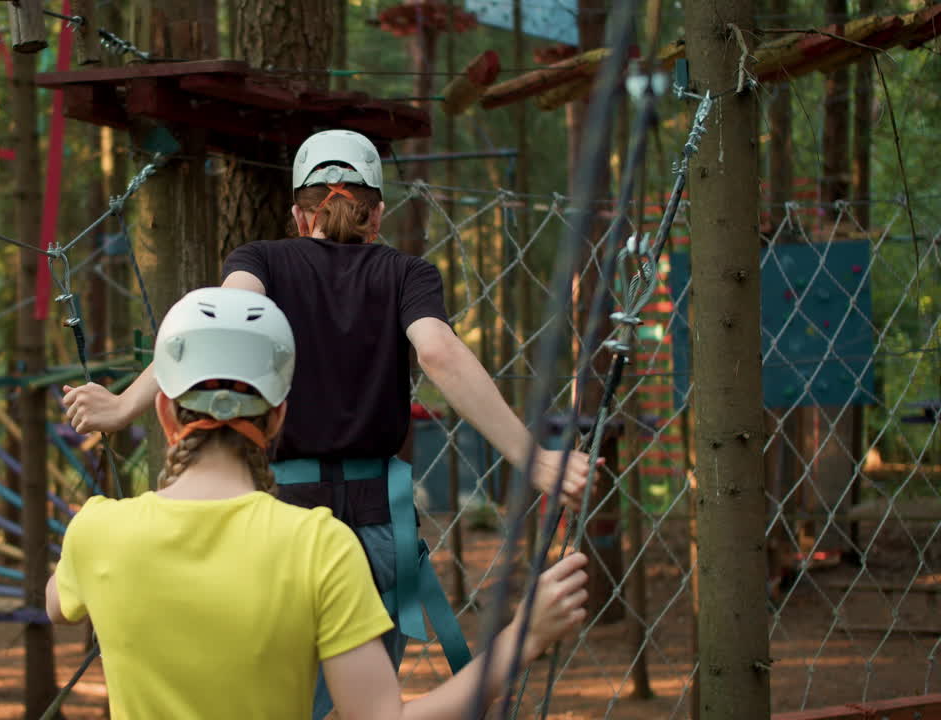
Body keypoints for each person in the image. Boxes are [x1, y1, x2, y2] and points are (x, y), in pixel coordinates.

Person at [62, 129, 597, 718]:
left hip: (286, 520)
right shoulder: (406, 273)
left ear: (297, 213)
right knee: (365, 702)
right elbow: (439, 352)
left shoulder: (262, 260)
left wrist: (121, 406)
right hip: (378, 524)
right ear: (379, 213)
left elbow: (220, 324)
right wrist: (533, 458)